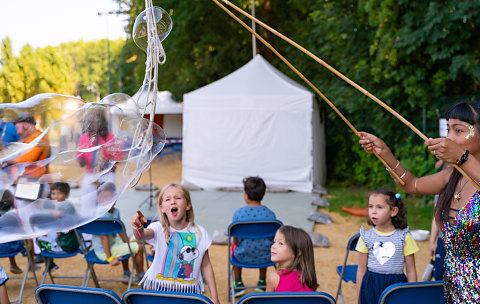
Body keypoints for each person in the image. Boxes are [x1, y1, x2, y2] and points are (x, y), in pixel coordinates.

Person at [359, 101, 480, 304]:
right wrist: (385, 153)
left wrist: (461, 157)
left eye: (458, 130)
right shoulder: (452, 175)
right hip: (452, 287)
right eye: (447, 130)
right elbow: (412, 184)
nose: (449, 138)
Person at [130, 183, 219, 304]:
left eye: (177, 198)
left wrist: (214, 297)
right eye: (167, 199)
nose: (173, 202)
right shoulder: (157, 228)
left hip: (189, 292)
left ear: (187, 205)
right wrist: (137, 226)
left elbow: (206, 265)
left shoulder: (200, 233)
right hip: (161, 290)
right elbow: (141, 235)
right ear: (162, 208)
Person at [355, 189, 418, 304]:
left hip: (396, 286)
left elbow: (411, 271)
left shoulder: (404, 237)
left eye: (379, 207)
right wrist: (359, 296)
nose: (373, 211)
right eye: (370, 206)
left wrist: (412, 295)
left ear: (393, 211)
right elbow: (361, 269)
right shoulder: (366, 237)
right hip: (371, 285)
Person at [231, 176, 276, 296]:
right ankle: (262, 282)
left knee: (234, 248)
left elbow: (235, 241)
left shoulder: (238, 214)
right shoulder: (270, 215)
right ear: (263, 194)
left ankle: (238, 284)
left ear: (246, 195)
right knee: (266, 245)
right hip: (266, 257)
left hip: (243, 257)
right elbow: (273, 239)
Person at [92, 183, 144, 283]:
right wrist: (110, 258)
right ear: (98, 199)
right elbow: (103, 238)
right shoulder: (100, 215)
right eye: (104, 197)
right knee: (140, 248)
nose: (108, 200)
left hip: (113, 243)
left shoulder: (116, 211)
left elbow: (120, 230)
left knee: (127, 245)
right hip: (104, 251)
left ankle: (126, 274)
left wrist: (127, 242)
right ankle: (141, 276)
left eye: (111, 197)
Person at [76, 107, 122, 216]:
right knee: (86, 205)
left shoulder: (110, 137)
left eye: (97, 120)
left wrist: (105, 160)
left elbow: (119, 157)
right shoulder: (84, 137)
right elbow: (80, 156)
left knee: (105, 206)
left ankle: (104, 230)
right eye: (91, 121)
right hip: (90, 174)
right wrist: (81, 159)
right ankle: (87, 230)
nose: (94, 123)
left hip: (107, 174)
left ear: (103, 122)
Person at [37, 182, 79, 272]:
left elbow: (55, 215)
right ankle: (50, 264)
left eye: (59, 193)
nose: (55, 196)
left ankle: (46, 260)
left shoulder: (67, 205)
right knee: (40, 236)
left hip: (67, 243)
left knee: (39, 239)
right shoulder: (53, 205)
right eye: (53, 194)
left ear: (66, 195)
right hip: (60, 239)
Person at [266, 225, 318, 292]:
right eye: (274, 242)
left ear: (298, 251)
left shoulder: (274, 278)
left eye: (280, 243)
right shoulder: (308, 279)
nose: (273, 246)